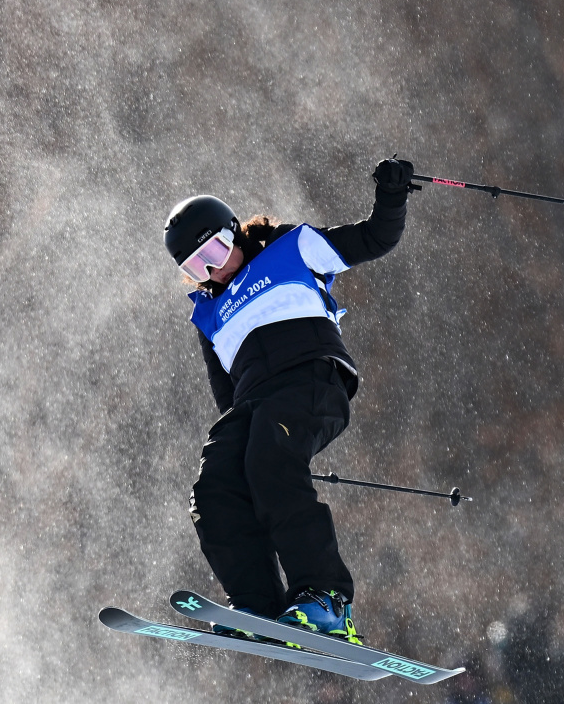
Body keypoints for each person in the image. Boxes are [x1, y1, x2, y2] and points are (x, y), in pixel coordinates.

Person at [162, 157, 415, 642]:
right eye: (197, 265)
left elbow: (375, 237)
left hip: (312, 378)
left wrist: (391, 196)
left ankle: (326, 599)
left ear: (234, 232)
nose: (212, 268)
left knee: (268, 462)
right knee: (216, 486)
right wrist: (246, 450)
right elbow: (228, 397)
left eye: (215, 249)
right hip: (255, 403)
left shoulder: (290, 248)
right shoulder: (208, 313)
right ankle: (256, 605)